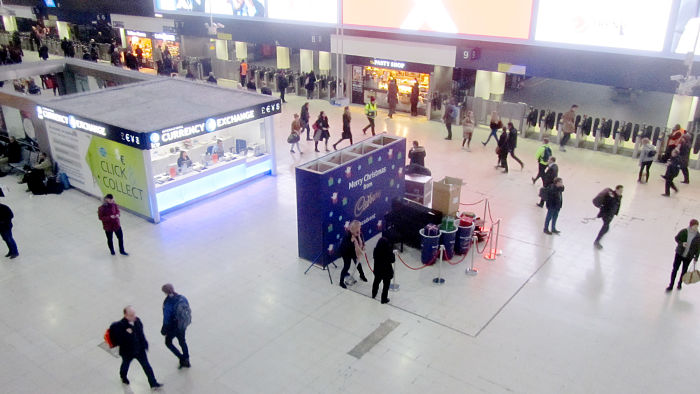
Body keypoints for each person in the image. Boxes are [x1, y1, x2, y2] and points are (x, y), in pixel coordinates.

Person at [109, 306, 162, 388]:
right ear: (126, 315)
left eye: (134, 314)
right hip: (127, 352)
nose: (134, 317)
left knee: (146, 366)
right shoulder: (119, 326)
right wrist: (127, 334)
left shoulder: (137, 321)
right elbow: (119, 341)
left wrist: (144, 343)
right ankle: (123, 376)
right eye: (131, 315)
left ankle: (153, 383)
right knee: (125, 365)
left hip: (140, 349)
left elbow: (141, 333)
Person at [161, 284, 191, 368]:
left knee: (168, 342)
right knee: (182, 341)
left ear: (165, 292)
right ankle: (187, 359)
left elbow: (166, 319)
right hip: (182, 325)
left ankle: (181, 358)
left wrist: (164, 330)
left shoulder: (167, 303)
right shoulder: (182, 298)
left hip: (173, 327)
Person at [666, 219, 700, 292]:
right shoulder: (684, 231)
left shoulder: (698, 236)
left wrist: (696, 257)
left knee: (684, 271)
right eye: (695, 226)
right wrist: (682, 243)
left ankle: (679, 284)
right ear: (691, 225)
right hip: (679, 254)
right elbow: (676, 238)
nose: (696, 228)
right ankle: (671, 285)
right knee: (675, 269)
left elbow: (698, 248)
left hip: (688, 256)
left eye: (697, 226)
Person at [339, 220, 368, 288]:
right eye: (357, 228)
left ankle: (362, 275)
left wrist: (362, 245)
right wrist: (352, 241)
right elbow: (345, 247)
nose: (359, 230)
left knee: (358, 263)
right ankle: (341, 282)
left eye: (359, 228)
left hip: (353, 250)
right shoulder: (347, 236)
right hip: (345, 252)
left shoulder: (359, 233)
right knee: (347, 266)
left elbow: (362, 241)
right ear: (352, 229)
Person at [593, 185, 623, 250]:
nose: (621, 192)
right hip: (606, 215)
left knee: (606, 228)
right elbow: (605, 204)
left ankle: (597, 240)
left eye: (622, 191)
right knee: (606, 227)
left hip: (610, 215)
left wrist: (615, 212)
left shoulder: (619, 196)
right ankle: (597, 241)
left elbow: (617, 205)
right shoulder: (611, 196)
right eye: (620, 190)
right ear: (616, 190)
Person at [372, 237, 395, 304]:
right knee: (386, 286)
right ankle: (383, 299)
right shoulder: (388, 251)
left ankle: (373, 294)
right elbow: (392, 260)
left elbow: (374, 257)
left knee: (376, 282)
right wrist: (392, 253)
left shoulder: (376, 250)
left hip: (378, 270)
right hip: (386, 271)